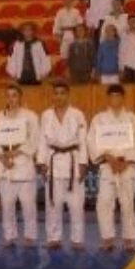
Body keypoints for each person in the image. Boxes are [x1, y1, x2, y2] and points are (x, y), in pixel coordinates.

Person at [88, 84, 135, 251]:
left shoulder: (133, 118)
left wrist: (125, 162)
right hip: (107, 165)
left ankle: (129, 239)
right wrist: (109, 158)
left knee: (127, 203)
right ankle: (107, 237)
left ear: (123, 98)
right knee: (104, 202)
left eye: (119, 96)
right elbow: (92, 141)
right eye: (112, 96)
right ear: (108, 98)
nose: (115, 99)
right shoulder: (99, 119)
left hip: (127, 166)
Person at [38, 81, 88, 250]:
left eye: (62, 93)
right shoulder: (46, 115)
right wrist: (42, 162)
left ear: (68, 95)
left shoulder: (77, 114)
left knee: (76, 204)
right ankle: (54, 237)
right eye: (56, 93)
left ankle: (77, 239)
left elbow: (83, 141)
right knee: (53, 203)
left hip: (72, 161)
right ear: (52, 95)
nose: (59, 96)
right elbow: (41, 141)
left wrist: (83, 163)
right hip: (53, 161)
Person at [0, 84, 39, 248]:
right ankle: (9, 235)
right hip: (5, 166)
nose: (11, 99)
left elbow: (34, 140)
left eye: (14, 95)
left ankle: (30, 236)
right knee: (6, 204)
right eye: (8, 95)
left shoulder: (30, 116)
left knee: (28, 205)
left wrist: (17, 152)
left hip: (24, 165)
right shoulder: (0, 116)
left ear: (20, 97)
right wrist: (2, 157)